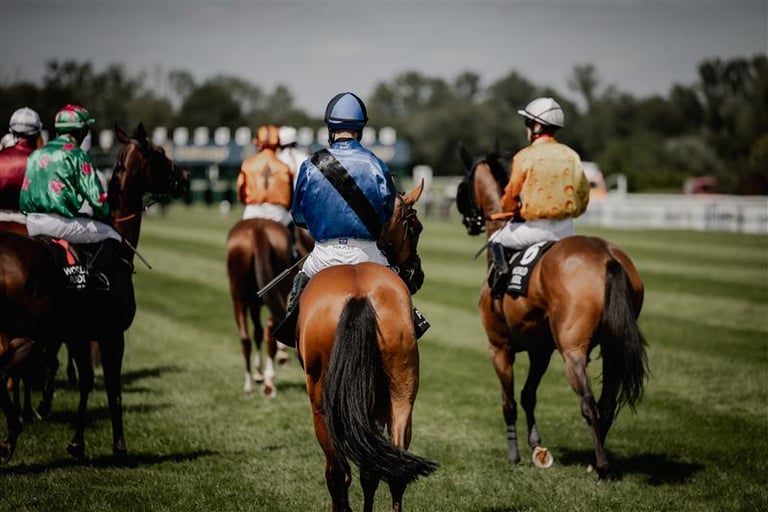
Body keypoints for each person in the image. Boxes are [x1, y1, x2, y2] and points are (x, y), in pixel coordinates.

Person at [275, 92, 429, 347]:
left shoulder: (311, 164)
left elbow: (299, 216)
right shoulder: (376, 163)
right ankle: (413, 319)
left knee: (302, 279)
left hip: (324, 254)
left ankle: (290, 332)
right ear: (360, 129)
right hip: (367, 253)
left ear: (330, 128)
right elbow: (387, 215)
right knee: (397, 293)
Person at [487, 97, 590, 293]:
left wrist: (509, 209)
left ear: (536, 126)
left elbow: (510, 196)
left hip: (535, 230)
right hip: (567, 230)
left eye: (528, 123)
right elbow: (583, 196)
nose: (526, 128)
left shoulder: (524, 156)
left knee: (495, 239)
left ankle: (501, 288)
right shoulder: (571, 155)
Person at [19, 104, 122, 287]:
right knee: (113, 235)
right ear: (81, 131)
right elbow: (97, 200)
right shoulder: (77, 154)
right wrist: (105, 211)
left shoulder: (37, 153)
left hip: (31, 223)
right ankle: (93, 277)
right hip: (58, 224)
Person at [237, 124, 295, 227]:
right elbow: (290, 196)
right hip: (277, 212)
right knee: (292, 233)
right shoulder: (284, 167)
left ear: (257, 143)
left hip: (253, 210)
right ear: (277, 143)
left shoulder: (247, 164)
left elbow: (241, 191)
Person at [0, 107, 43, 211]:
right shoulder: (44, 160)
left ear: (12, 131)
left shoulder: (1, 156)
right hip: (32, 221)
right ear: (37, 133)